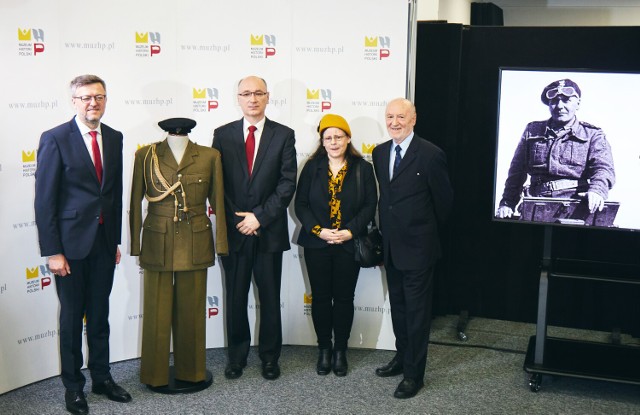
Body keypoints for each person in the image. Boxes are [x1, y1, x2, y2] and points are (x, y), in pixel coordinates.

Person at [34, 75, 131, 415]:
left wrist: (115, 240)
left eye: (100, 97)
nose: (94, 103)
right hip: (70, 249)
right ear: (74, 101)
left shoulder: (115, 137)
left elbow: (114, 196)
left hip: (104, 245)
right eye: (87, 97)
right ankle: (74, 387)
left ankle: (102, 379)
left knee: (100, 315)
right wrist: (53, 251)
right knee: (73, 320)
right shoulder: (55, 139)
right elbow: (44, 201)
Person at [129, 118, 228, 389]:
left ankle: (192, 371)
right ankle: (154, 374)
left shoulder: (209, 156)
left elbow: (218, 202)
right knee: (156, 312)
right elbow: (135, 202)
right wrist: (134, 245)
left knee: (193, 311)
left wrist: (221, 244)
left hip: (195, 240)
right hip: (157, 240)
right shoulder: (145, 155)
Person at [212, 76, 297, 381]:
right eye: (246, 93)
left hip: (268, 232)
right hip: (234, 233)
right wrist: (239, 220)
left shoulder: (284, 135)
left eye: (258, 93)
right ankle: (237, 357)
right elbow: (216, 183)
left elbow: (287, 183)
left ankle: (270, 358)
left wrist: (259, 217)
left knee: (270, 298)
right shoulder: (222, 135)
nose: (252, 98)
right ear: (238, 98)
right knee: (235, 298)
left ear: (267, 96)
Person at [371, 98, 453, 399]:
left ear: (413, 119)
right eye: (390, 116)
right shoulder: (379, 153)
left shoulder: (431, 155)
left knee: (417, 315)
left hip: (419, 249)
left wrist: (422, 233)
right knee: (400, 310)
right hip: (391, 248)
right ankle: (402, 356)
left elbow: (444, 205)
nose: (394, 122)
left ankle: (414, 375)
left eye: (401, 117)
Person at [294, 114, 377, 376]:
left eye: (338, 136)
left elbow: (369, 206)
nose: (333, 142)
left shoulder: (363, 169)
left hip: (347, 245)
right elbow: (301, 205)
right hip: (317, 244)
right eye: (328, 137)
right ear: (322, 141)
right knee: (320, 298)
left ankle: (341, 350)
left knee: (343, 298)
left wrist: (350, 231)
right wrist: (319, 231)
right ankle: (324, 350)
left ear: (348, 138)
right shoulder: (311, 167)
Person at [496, 79, 615, 218]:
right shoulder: (532, 130)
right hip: (535, 204)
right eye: (554, 101)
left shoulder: (592, 134)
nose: (559, 106)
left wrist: (597, 190)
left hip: (575, 208)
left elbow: (604, 169)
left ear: (578, 104)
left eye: (566, 100)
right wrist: (507, 204)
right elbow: (516, 172)